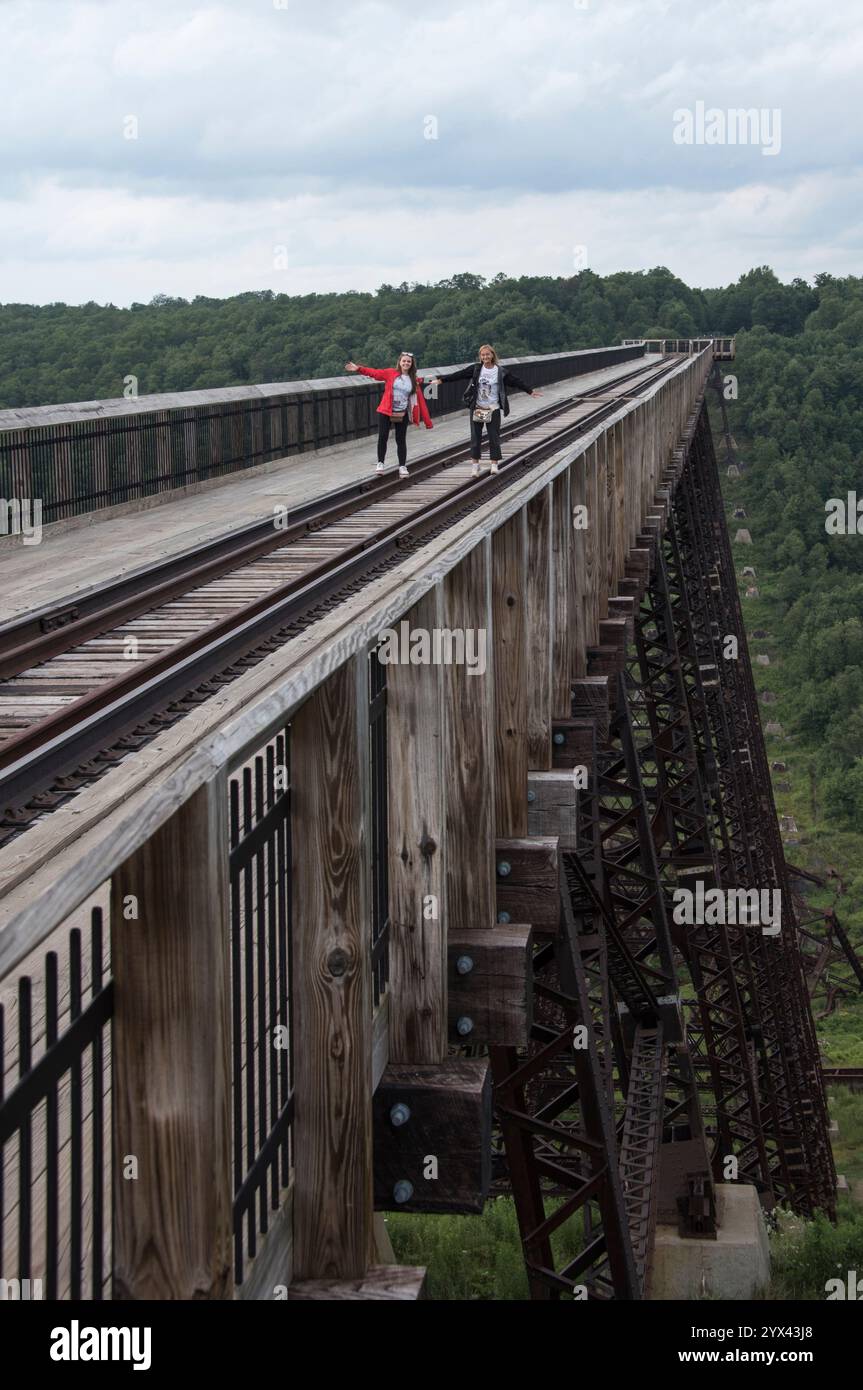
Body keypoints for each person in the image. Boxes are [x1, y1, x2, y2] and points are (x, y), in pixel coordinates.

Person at [434, 344, 542, 477]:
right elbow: (459, 375)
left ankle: (494, 464)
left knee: (494, 437)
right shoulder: (476, 369)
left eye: (487, 354)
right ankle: (475, 465)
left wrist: (529, 391)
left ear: (492, 355)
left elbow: (515, 381)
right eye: (483, 355)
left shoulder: (500, 371)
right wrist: (442, 380)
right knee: (475, 438)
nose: (485, 357)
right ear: (480, 357)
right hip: (478, 407)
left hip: (493, 408)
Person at [345, 352, 433, 478]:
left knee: (401, 439)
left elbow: (420, 397)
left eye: (409, 361)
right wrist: (358, 368)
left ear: (412, 364)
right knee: (383, 437)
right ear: (400, 362)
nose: (406, 363)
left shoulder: (414, 379)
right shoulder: (390, 373)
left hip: (402, 412)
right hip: (386, 411)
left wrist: (437, 381)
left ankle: (402, 466)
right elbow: (375, 373)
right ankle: (380, 463)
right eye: (404, 361)